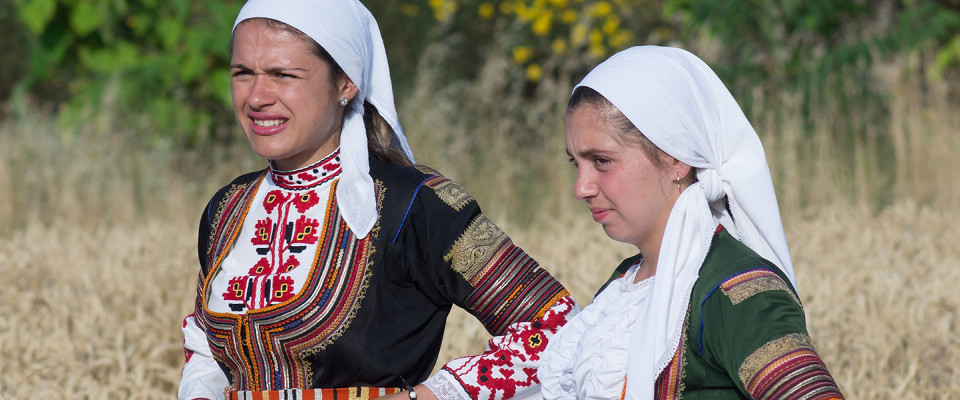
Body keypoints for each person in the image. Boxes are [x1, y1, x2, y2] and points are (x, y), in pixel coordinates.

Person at [178, 1, 577, 399]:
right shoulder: (227, 208)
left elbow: (554, 325)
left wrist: (434, 395)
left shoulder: (418, 204)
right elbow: (207, 347)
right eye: (242, 73)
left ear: (346, 82)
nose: (257, 97)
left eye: (283, 74)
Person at [538, 46, 844, 399]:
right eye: (576, 164)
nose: (581, 188)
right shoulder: (622, 286)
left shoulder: (738, 293)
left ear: (675, 159)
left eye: (602, 161)